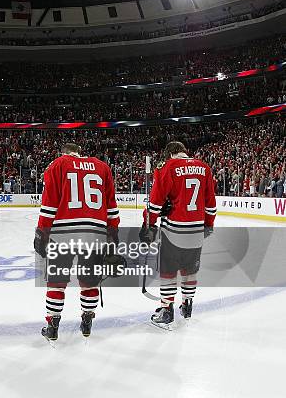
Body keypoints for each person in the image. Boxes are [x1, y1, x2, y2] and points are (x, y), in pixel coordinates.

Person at [34, 143, 120, 341]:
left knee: (56, 282)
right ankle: (87, 322)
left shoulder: (57, 165)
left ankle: (53, 325)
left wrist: (42, 233)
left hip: (63, 233)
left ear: (63, 153)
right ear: (79, 153)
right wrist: (112, 234)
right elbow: (112, 208)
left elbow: (49, 205)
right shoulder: (102, 167)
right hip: (95, 233)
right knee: (89, 282)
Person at [140, 141, 216, 328]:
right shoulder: (204, 167)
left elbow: (155, 204)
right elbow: (211, 204)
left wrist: (148, 224)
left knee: (168, 270)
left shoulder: (167, 167)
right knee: (190, 269)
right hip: (196, 228)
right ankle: (187, 305)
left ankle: (166, 310)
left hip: (173, 229)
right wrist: (208, 225)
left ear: (170, 154)